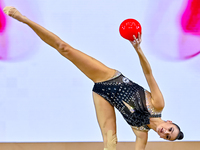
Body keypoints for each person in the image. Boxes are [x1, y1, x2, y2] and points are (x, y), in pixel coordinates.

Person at [3, 6, 184, 150]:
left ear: (162, 138)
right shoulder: (158, 104)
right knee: (64, 48)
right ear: (169, 122)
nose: (165, 132)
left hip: (103, 97)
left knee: (110, 143)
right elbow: (148, 73)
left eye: (167, 136)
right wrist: (138, 49)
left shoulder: (141, 134)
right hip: (109, 78)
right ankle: (23, 18)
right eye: (170, 129)